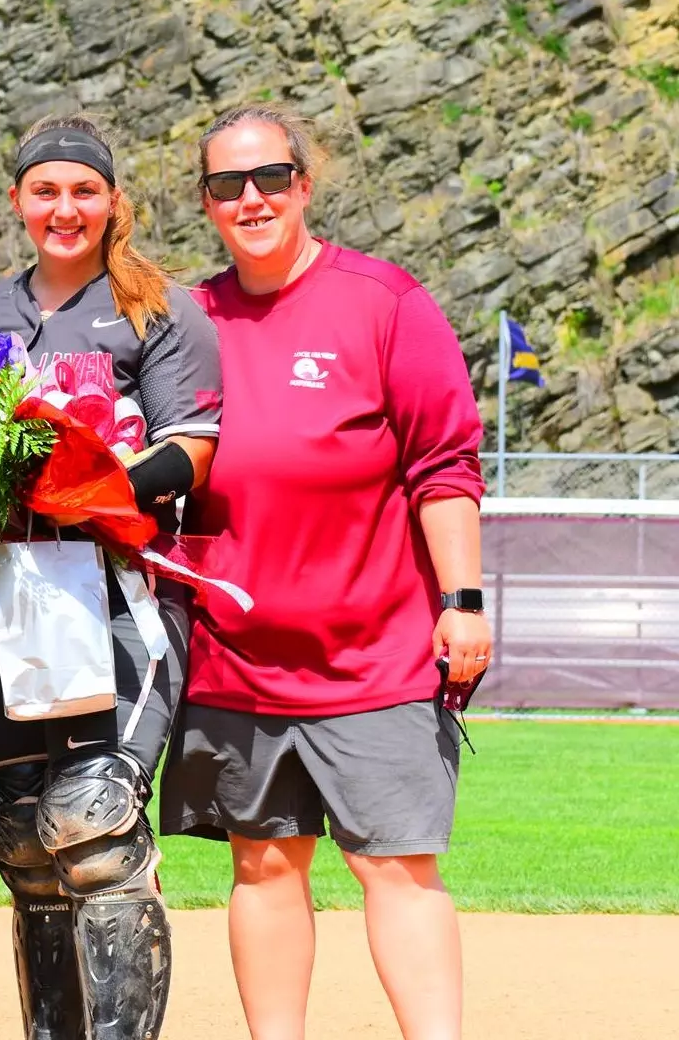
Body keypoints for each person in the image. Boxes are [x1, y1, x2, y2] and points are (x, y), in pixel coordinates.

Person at [162, 104, 489, 1040]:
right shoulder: (188, 320)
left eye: (270, 178)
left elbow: (444, 467)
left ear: (304, 185)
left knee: (398, 865)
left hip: (375, 656)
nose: (251, 199)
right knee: (263, 863)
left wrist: (462, 602)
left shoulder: (385, 301)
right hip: (236, 658)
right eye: (228, 185)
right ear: (207, 203)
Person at [0, 115, 223, 1040]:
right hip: (4, 599)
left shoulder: (159, 310)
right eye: (45, 190)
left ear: (113, 201)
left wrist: (88, 490)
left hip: (119, 594)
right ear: (20, 200)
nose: (64, 209)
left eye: (84, 190)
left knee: (93, 823)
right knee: (27, 836)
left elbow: (193, 450)